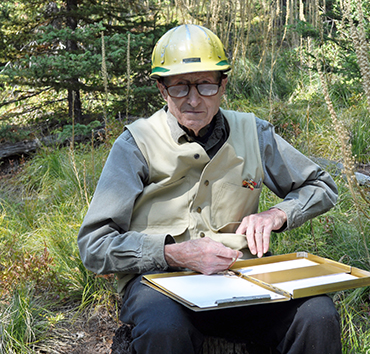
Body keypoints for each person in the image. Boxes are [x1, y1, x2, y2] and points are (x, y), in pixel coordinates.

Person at [78, 24, 341, 354]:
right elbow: (93, 246)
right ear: (162, 89)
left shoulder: (254, 133)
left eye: (205, 85)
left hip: (245, 279)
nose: (192, 99)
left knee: (317, 314)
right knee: (164, 328)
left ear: (223, 85)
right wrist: (172, 253)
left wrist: (277, 214)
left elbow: (322, 186)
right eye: (179, 87)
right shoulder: (136, 144)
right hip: (160, 287)